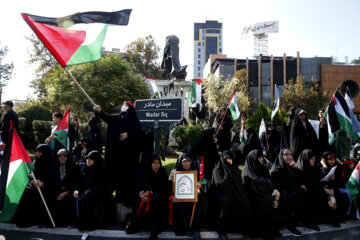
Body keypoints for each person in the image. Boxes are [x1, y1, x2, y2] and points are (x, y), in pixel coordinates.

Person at [94, 101, 143, 204]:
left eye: (126, 105)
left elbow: (139, 133)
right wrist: (100, 111)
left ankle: (128, 199)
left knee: (127, 178)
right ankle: (117, 198)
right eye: (123, 105)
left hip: (129, 157)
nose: (123, 107)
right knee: (116, 175)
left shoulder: (134, 120)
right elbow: (107, 118)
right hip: (117, 155)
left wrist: (128, 134)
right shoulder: (117, 118)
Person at [270, 148, 312, 237]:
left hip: (288, 190)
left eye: (290, 154)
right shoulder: (276, 169)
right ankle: (288, 224)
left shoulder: (289, 166)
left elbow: (299, 179)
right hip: (278, 193)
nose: (289, 157)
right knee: (292, 195)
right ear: (281, 156)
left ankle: (301, 220)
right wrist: (299, 186)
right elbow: (285, 183)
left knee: (304, 192)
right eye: (286, 155)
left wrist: (296, 169)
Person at [208, 150, 250, 240]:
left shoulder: (235, 169)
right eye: (226, 158)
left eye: (230, 158)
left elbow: (239, 185)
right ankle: (222, 231)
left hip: (234, 193)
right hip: (221, 195)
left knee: (243, 201)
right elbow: (219, 185)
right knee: (225, 201)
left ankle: (244, 230)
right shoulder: (217, 170)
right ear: (222, 159)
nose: (228, 160)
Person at [128, 155, 170, 240]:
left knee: (157, 202)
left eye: (158, 163)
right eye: (154, 163)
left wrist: (151, 193)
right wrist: (141, 193)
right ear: (150, 164)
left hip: (159, 198)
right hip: (145, 199)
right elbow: (138, 186)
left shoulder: (162, 172)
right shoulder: (145, 172)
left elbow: (165, 188)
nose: (156, 165)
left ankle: (154, 232)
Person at [241, 150, 281, 238]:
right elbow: (249, 189)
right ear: (253, 159)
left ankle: (273, 229)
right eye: (259, 158)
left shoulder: (263, 169)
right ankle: (264, 231)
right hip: (254, 198)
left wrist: (275, 190)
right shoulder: (247, 172)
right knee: (267, 202)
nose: (262, 159)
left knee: (275, 200)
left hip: (266, 194)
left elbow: (270, 181)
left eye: (262, 157)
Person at [15, 144, 55, 227]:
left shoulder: (52, 164)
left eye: (40, 152)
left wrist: (43, 184)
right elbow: (30, 174)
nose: (37, 153)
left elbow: (54, 180)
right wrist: (33, 180)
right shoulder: (36, 161)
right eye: (37, 151)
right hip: (35, 188)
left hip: (47, 189)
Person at [74, 150, 111, 231]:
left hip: (98, 194)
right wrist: (76, 190)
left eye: (91, 159)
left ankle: (89, 224)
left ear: (96, 159)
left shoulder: (101, 170)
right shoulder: (85, 169)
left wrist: (91, 190)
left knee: (89, 198)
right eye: (87, 158)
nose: (88, 160)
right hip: (84, 192)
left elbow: (104, 186)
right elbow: (78, 182)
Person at [169, 154, 203, 240]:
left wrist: (200, 185)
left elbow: (202, 184)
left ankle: (195, 229)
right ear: (180, 162)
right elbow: (168, 188)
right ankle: (184, 229)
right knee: (180, 205)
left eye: (189, 161)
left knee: (200, 201)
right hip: (178, 199)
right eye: (184, 162)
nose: (187, 164)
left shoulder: (194, 171)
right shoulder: (174, 172)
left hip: (191, 197)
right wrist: (171, 197)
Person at [50, 149, 80, 227]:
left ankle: (71, 222)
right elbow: (52, 181)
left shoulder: (74, 166)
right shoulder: (54, 166)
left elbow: (76, 182)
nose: (62, 157)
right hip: (58, 191)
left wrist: (66, 192)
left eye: (65, 156)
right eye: (60, 156)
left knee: (70, 198)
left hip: (69, 191)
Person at [320, 151, 351, 224]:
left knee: (343, 197)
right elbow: (321, 180)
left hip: (335, 188)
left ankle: (341, 217)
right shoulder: (321, 168)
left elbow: (346, 171)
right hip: (325, 190)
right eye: (330, 160)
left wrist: (341, 163)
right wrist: (325, 166)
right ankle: (332, 219)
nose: (332, 161)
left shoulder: (336, 167)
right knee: (331, 199)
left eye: (334, 159)